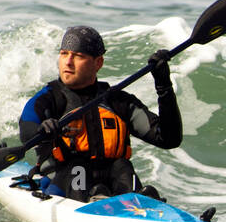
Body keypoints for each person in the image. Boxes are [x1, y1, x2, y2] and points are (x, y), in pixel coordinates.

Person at [18, 25, 181, 202]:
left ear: (98, 63)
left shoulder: (118, 101)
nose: (68, 62)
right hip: (63, 184)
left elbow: (168, 139)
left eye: (78, 56)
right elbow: (26, 131)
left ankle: (136, 205)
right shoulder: (48, 98)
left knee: (122, 166)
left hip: (113, 183)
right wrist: (43, 130)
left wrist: (164, 86)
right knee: (78, 168)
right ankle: (94, 201)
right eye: (64, 54)